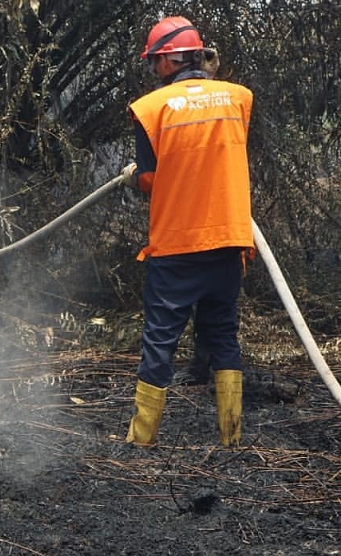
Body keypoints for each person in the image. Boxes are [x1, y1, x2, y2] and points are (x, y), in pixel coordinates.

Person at [121, 16, 254, 446]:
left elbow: (150, 179)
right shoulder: (238, 98)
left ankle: (141, 442)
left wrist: (135, 175)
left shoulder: (151, 109)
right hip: (229, 241)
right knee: (222, 334)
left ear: (170, 59)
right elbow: (216, 151)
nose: (154, 69)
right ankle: (231, 438)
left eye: (156, 61)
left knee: (160, 340)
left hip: (177, 245)